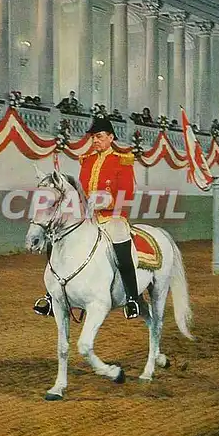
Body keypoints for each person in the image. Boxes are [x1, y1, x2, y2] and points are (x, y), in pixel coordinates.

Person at [34, 117, 140, 320]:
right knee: (56, 239)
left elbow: (126, 195)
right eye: (93, 138)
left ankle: (132, 297)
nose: (95, 141)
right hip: (87, 219)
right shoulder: (87, 160)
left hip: (112, 217)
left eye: (99, 137)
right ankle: (51, 295)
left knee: (121, 242)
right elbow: (80, 191)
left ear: (111, 137)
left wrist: (104, 202)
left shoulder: (122, 160)